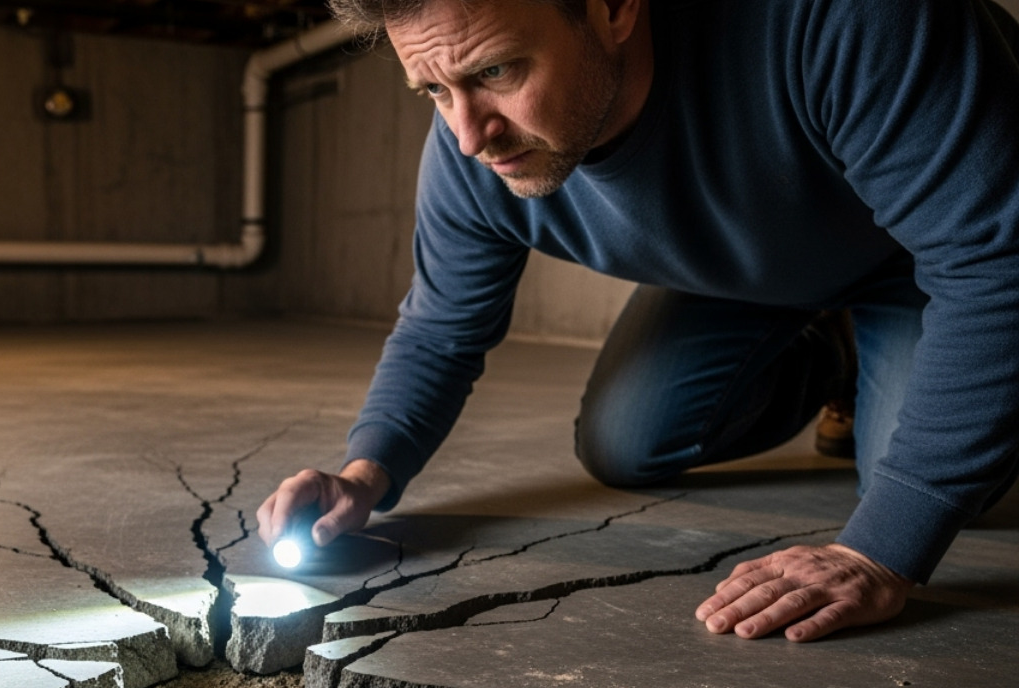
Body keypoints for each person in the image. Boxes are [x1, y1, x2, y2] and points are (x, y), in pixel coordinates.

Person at [257, 0, 1019, 642]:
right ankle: (838, 355)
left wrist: (880, 552)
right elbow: (441, 324)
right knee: (625, 443)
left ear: (615, 7)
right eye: (432, 90)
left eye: (496, 72)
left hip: (925, 258)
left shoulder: (847, 19)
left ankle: (882, 343)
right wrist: (368, 471)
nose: (468, 135)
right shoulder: (471, 148)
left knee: (959, 491)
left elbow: (995, 264)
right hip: (747, 270)